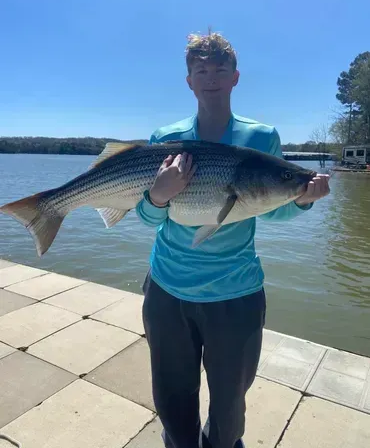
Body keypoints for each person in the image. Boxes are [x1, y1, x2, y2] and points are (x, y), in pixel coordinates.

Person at [136, 31, 330, 448]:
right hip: (167, 291)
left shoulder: (261, 138)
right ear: (188, 80)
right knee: (172, 402)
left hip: (236, 294)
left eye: (219, 70)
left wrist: (301, 200)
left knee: (228, 412)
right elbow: (146, 216)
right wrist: (158, 195)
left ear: (235, 77)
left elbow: (269, 207)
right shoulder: (165, 137)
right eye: (201, 70)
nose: (211, 78)